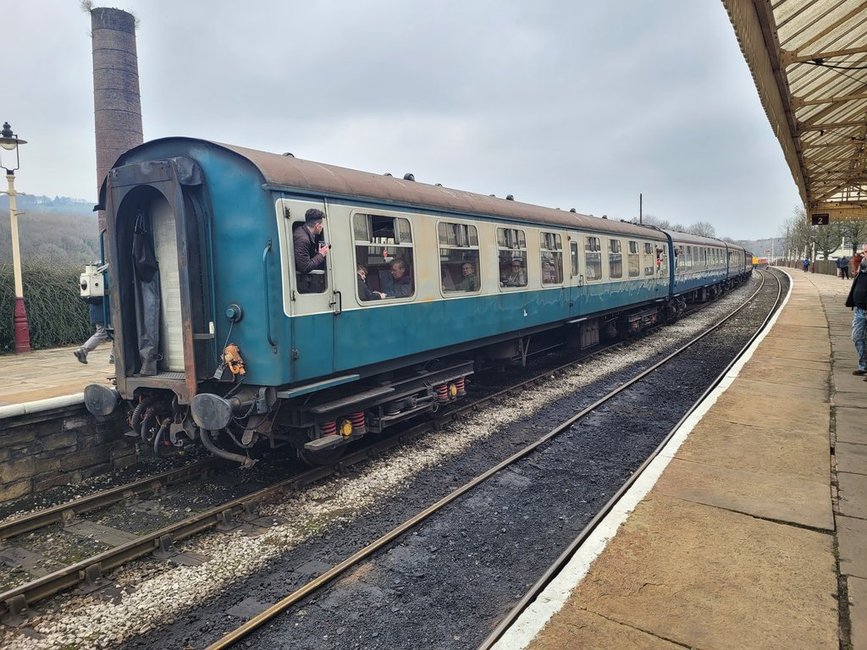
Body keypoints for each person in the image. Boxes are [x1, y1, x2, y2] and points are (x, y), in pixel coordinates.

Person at [293, 208, 330, 292]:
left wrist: (316, 253)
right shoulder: (303, 239)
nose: (322, 226)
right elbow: (304, 267)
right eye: (322, 224)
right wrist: (321, 255)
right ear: (317, 226)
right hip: (302, 284)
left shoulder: (301, 232)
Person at [846, 255, 867, 376]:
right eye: (865, 251)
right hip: (860, 310)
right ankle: (864, 366)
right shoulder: (862, 269)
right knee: (857, 337)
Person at [74, 296, 109, 364]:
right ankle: (83, 350)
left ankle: (113, 356)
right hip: (105, 314)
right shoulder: (105, 286)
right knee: (106, 333)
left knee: (106, 333)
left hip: (98, 313)